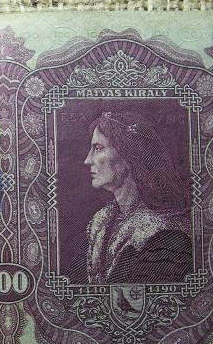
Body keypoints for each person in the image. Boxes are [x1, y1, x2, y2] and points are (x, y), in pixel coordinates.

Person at [68, 111, 193, 284]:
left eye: (98, 148)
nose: (88, 160)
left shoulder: (167, 235)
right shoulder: (101, 224)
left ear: (127, 153)